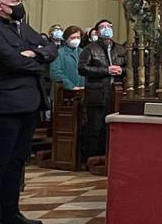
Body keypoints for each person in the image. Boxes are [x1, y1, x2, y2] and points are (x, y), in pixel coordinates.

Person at [0, 0, 56, 224]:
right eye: (15, 1)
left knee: (17, 162)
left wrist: (35, 54)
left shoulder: (24, 29)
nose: (20, 4)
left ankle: (11, 211)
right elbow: (12, 61)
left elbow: (51, 48)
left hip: (30, 103)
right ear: (0, 6)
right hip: (7, 106)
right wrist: (36, 60)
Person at [79, 18, 124, 160]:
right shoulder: (90, 49)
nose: (106, 29)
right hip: (96, 93)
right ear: (97, 32)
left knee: (110, 127)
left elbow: (130, 68)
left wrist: (121, 71)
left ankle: (108, 156)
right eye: (102, 27)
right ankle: (91, 156)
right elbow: (82, 68)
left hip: (115, 92)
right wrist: (106, 70)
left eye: (108, 26)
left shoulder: (120, 49)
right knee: (95, 126)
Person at [50, 25, 86, 93]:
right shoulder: (59, 53)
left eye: (78, 37)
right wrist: (70, 86)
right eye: (73, 38)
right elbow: (55, 73)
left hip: (82, 91)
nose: (76, 40)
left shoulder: (84, 52)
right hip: (63, 92)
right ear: (66, 39)